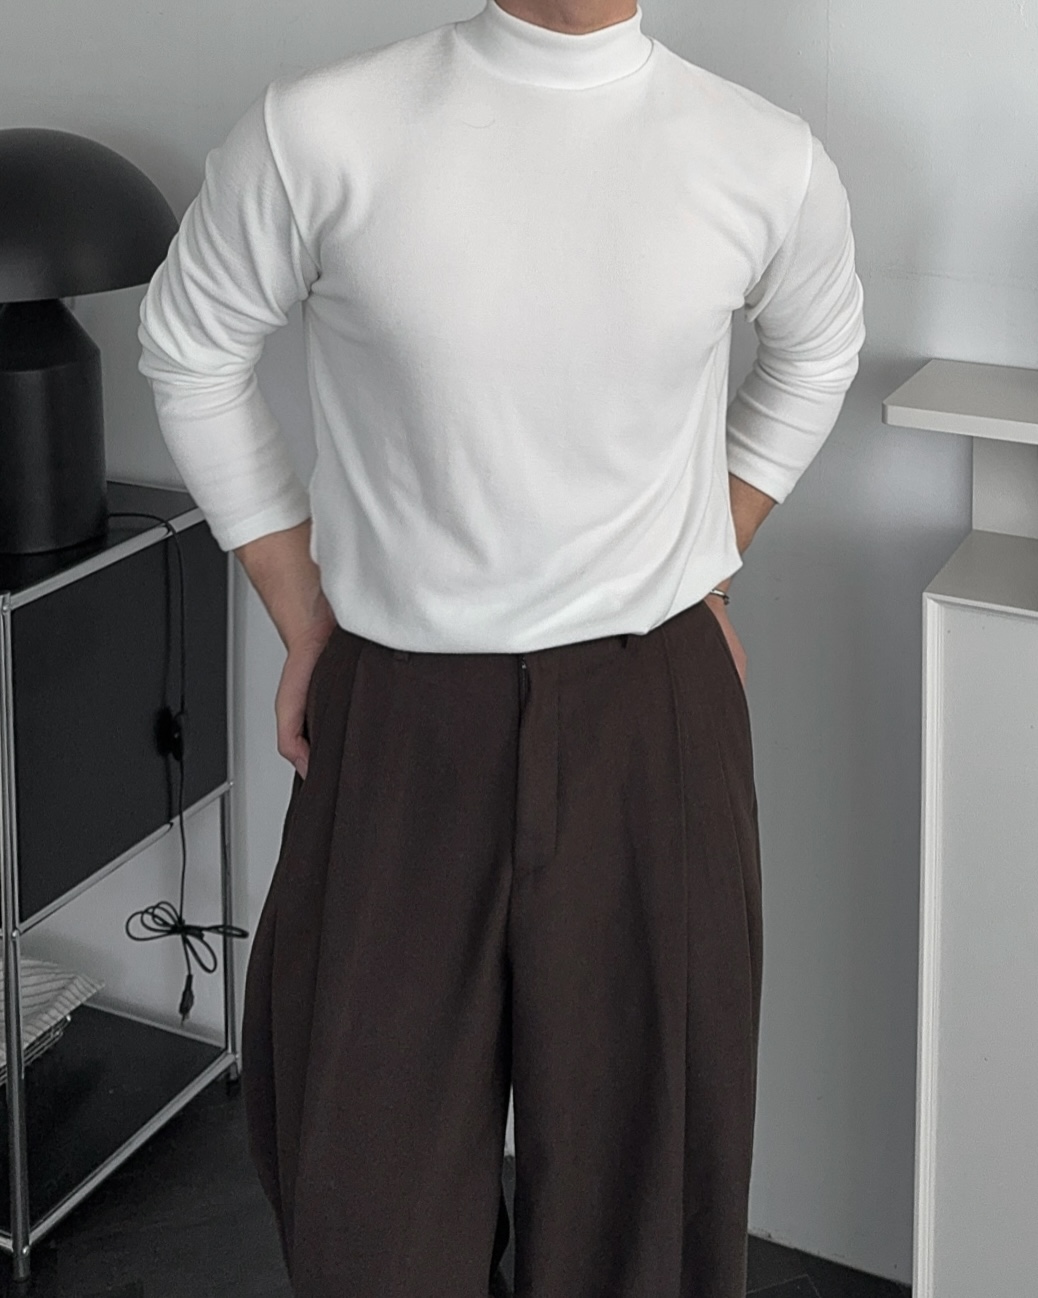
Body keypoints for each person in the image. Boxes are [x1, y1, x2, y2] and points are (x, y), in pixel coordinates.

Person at [137, 0, 866, 1294]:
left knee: (647, 1192)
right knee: (366, 1196)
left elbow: (819, 349)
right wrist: (302, 610)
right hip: (400, 713)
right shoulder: (322, 132)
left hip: (654, 711)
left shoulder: (761, 155)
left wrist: (709, 548)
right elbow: (189, 347)